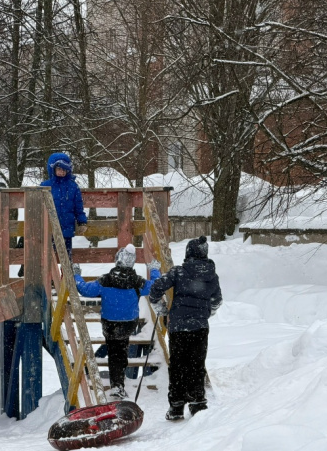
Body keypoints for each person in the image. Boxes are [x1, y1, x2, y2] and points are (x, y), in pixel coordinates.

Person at [72, 244, 161, 400]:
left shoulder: (105, 280)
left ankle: (115, 383)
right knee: (120, 350)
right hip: (128, 324)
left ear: (117, 261)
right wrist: (154, 270)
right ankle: (118, 382)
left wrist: (76, 275)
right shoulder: (137, 282)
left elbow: (85, 289)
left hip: (110, 324)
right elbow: (155, 286)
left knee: (114, 350)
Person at [148, 236, 222, 421]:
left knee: (178, 365)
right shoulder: (211, 275)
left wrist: (161, 308)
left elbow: (156, 289)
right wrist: (205, 313)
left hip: (179, 327)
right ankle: (197, 402)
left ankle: (176, 406)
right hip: (200, 327)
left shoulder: (178, 272)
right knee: (196, 364)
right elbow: (217, 300)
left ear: (188, 252)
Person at [40, 153, 87, 259]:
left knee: (66, 258)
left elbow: (78, 206)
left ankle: (66, 275)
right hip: (49, 228)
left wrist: (82, 221)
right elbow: (39, 207)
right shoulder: (45, 186)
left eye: (64, 170)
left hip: (66, 229)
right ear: (53, 169)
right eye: (59, 169)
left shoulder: (73, 186)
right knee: (48, 258)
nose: (62, 172)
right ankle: (49, 276)